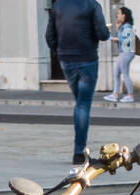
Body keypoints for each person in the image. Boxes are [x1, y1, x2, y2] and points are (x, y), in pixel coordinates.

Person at [45, 0, 111, 165]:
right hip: (87, 59)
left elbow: (49, 36)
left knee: (80, 102)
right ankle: (79, 151)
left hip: (66, 61)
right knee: (82, 104)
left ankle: (80, 149)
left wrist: (59, 52)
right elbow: (102, 34)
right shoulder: (92, 5)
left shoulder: (57, 5)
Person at [104, 7, 136, 103]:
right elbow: (121, 39)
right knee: (116, 73)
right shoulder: (124, 26)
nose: (117, 15)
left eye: (119, 13)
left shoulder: (127, 27)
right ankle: (115, 94)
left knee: (125, 74)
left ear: (124, 16)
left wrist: (114, 38)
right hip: (123, 53)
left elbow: (126, 40)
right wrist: (118, 29)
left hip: (126, 53)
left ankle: (130, 95)